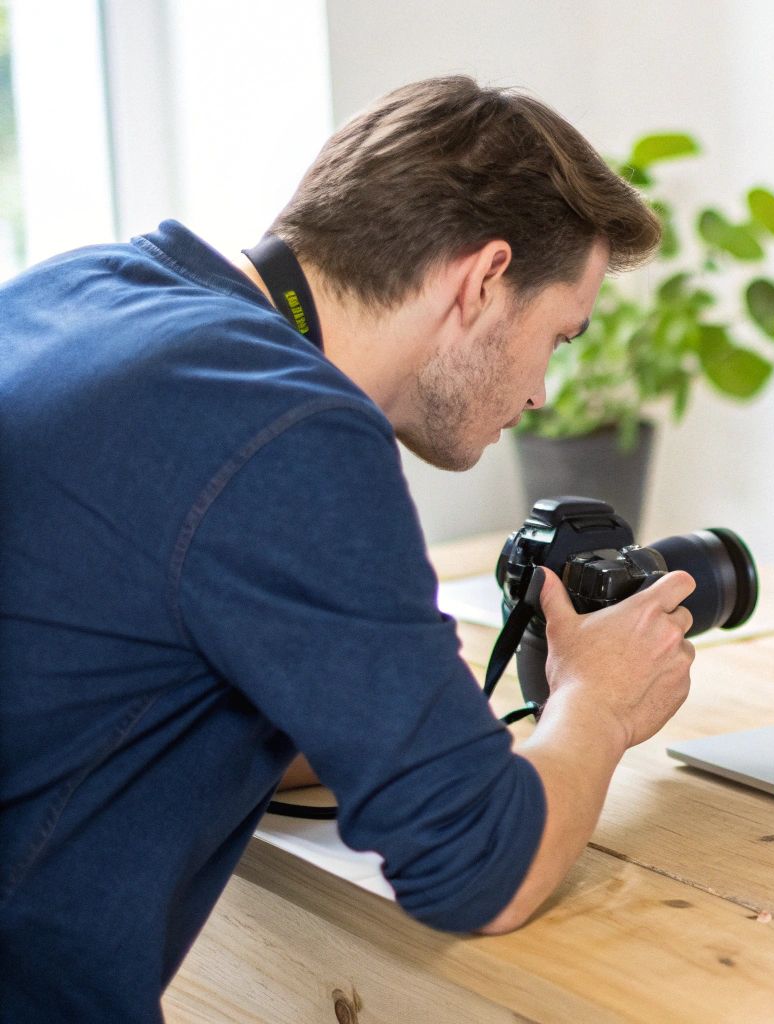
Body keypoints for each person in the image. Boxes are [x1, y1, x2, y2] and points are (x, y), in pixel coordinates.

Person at [0, 77, 695, 1021]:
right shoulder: (281, 425)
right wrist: (598, 701)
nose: (540, 394)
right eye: (558, 338)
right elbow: (476, 866)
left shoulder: (85, 290)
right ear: (485, 279)